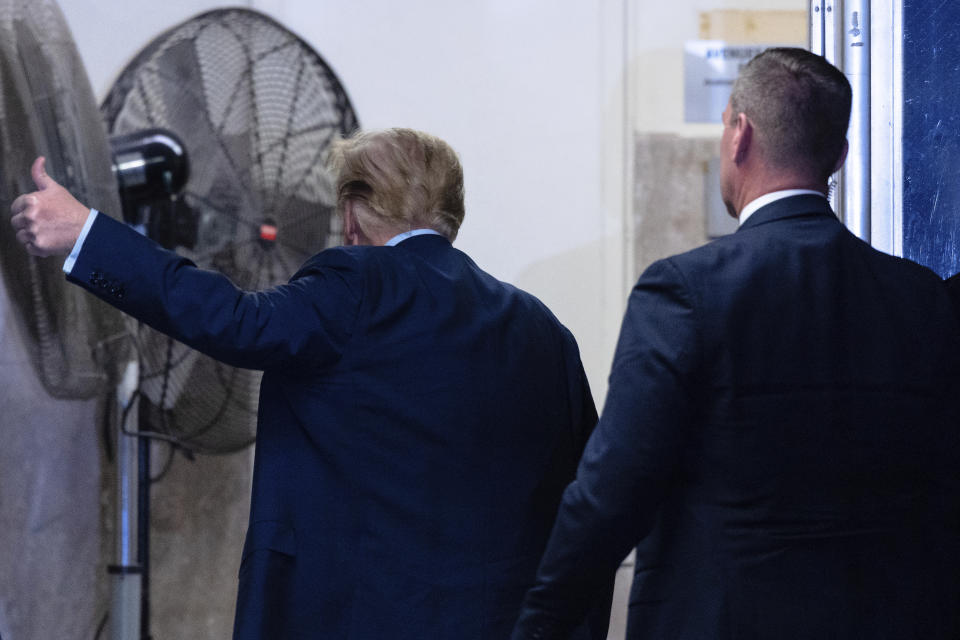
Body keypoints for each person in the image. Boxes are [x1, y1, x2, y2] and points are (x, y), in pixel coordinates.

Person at [10, 128, 610, 639]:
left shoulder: (357, 285)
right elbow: (590, 501)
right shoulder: (544, 331)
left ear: (351, 214)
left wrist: (86, 232)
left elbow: (236, 322)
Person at [511, 48, 960, 639]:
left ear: (739, 135)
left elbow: (612, 492)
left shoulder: (685, 291)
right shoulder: (922, 298)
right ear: (841, 157)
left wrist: (541, 624)